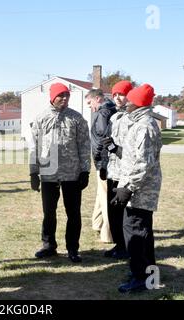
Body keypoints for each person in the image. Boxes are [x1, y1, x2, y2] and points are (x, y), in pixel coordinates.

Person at [29, 83, 91, 263]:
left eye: (67, 95)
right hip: (48, 174)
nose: (64, 98)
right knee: (49, 212)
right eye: (60, 95)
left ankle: (73, 248)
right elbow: (34, 146)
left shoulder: (77, 119)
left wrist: (85, 171)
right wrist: (33, 172)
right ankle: (49, 245)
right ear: (52, 97)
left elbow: (84, 146)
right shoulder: (41, 118)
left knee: (73, 213)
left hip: (72, 174)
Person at [110, 84, 162, 293]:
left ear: (137, 103)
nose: (126, 102)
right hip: (137, 187)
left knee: (137, 234)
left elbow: (142, 163)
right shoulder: (139, 122)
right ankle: (147, 274)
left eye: (129, 100)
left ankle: (142, 277)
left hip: (141, 190)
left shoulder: (145, 126)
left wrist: (128, 188)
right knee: (141, 233)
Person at [102, 81, 132, 260]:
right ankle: (119, 245)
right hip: (113, 170)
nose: (118, 98)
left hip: (126, 173)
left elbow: (133, 149)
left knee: (124, 213)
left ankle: (127, 247)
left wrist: (115, 148)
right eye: (114, 95)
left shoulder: (132, 117)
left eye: (121, 94)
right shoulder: (114, 117)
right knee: (113, 212)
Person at [85, 89, 116, 244]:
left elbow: (104, 139)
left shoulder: (103, 114)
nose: (90, 107)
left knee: (106, 198)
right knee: (101, 193)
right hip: (102, 162)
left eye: (90, 103)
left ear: (98, 98)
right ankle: (97, 224)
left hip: (104, 162)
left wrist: (99, 159)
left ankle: (108, 235)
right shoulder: (109, 110)